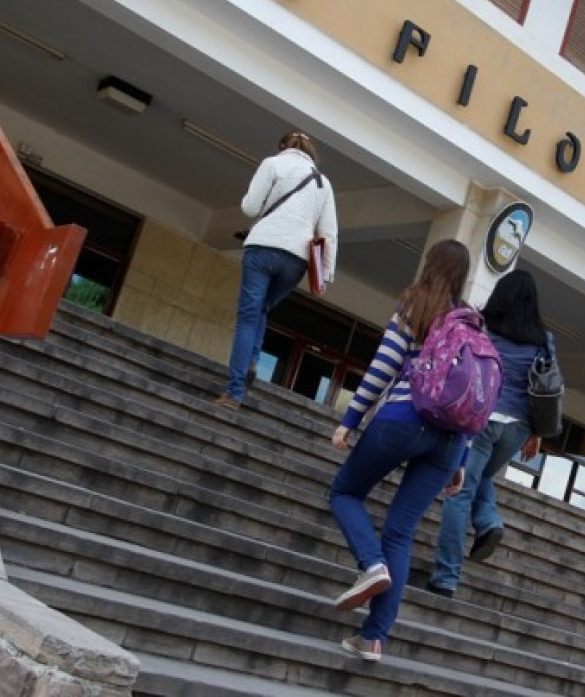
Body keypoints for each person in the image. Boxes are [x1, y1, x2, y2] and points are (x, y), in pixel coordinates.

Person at [327, 239, 473, 662]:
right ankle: (373, 639)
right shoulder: (469, 323)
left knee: (344, 492)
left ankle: (371, 565)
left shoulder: (416, 305)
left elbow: (384, 366)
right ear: (462, 276)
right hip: (448, 439)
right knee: (401, 532)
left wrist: (350, 419)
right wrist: (461, 459)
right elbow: (470, 393)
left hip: (403, 420)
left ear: (429, 265)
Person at [426, 269, 550, 598]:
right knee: (480, 478)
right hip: (518, 428)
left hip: (480, 420)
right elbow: (546, 387)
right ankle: (489, 519)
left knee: (459, 492)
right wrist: (537, 432)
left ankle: (446, 576)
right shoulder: (544, 340)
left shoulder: (482, 324)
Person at [214, 130, 338, 409]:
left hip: (262, 247)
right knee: (262, 309)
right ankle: (254, 359)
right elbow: (328, 233)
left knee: (248, 316)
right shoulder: (323, 182)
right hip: (296, 260)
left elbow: (250, 207)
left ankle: (234, 392)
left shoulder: (272, 164)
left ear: (283, 146)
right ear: (311, 153)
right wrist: (325, 276)